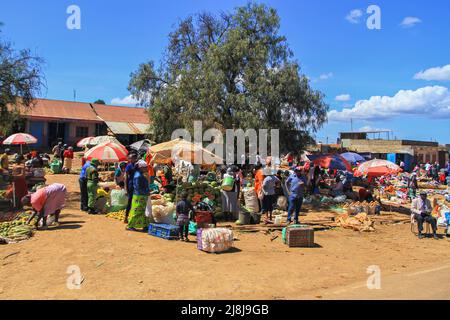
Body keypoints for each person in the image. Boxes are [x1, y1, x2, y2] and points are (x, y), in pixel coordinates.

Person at [127, 160, 150, 231]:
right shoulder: (138, 176)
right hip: (139, 196)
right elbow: (138, 187)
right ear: (141, 168)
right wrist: (146, 191)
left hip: (142, 195)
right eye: (145, 167)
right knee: (137, 211)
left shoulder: (140, 174)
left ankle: (145, 226)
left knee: (143, 211)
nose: (147, 169)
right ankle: (130, 225)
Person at [124, 153, 138, 223]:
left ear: (135, 158)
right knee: (129, 201)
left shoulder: (138, 165)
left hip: (137, 186)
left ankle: (134, 217)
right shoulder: (129, 166)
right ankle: (126, 217)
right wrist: (126, 188)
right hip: (130, 186)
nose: (130, 159)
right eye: (129, 158)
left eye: (131, 158)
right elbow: (126, 177)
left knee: (136, 202)